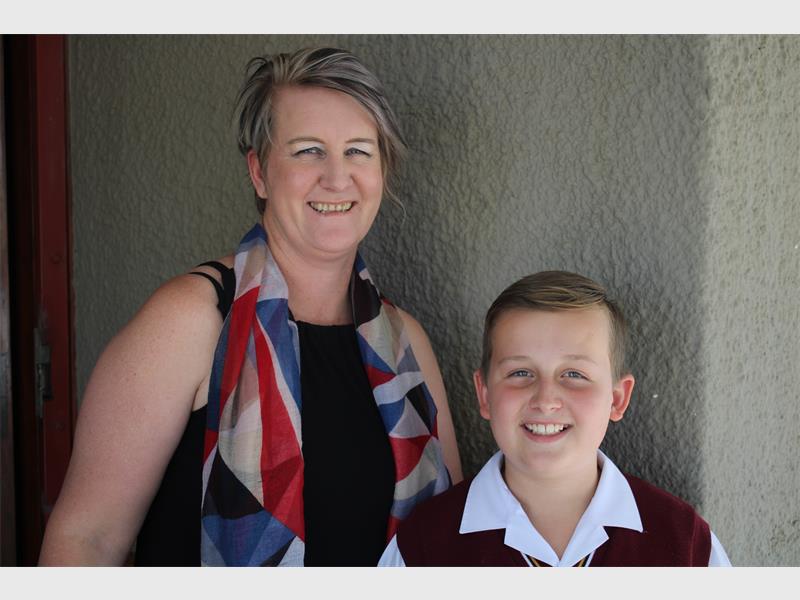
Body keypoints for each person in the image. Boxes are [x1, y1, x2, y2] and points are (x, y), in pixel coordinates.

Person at [39, 47, 462, 567]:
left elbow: (453, 537)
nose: (337, 177)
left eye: (358, 151)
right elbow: (88, 540)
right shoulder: (190, 320)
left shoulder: (407, 344)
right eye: (308, 151)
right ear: (259, 172)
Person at [379, 271, 730, 567]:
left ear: (617, 399)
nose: (546, 399)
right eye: (520, 373)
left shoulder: (686, 545)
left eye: (574, 374)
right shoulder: (422, 547)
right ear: (484, 394)